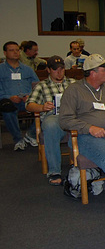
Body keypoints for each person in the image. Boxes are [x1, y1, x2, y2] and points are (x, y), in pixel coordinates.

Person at [59, 54, 105, 196]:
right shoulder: (74, 90)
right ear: (93, 72)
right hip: (87, 137)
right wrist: (89, 128)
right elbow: (65, 120)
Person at [26, 55, 76, 185]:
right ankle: (54, 171)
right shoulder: (42, 86)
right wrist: (42, 107)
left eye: (61, 69)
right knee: (50, 126)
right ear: (48, 70)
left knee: (82, 125)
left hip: (73, 116)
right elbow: (29, 105)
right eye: (55, 69)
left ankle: (78, 164)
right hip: (53, 117)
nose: (59, 72)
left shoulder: (74, 83)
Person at [1, 41, 40, 150]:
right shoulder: (1, 69)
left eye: (17, 50)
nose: (15, 52)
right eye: (11, 50)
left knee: (46, 108)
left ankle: (30, 135)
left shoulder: (27, 69)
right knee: (7, 108)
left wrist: (30, 96)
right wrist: (9, 97)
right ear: (5, 53)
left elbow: (36, 86)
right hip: (8, 100)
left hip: (26, 100)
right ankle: (18, 139)